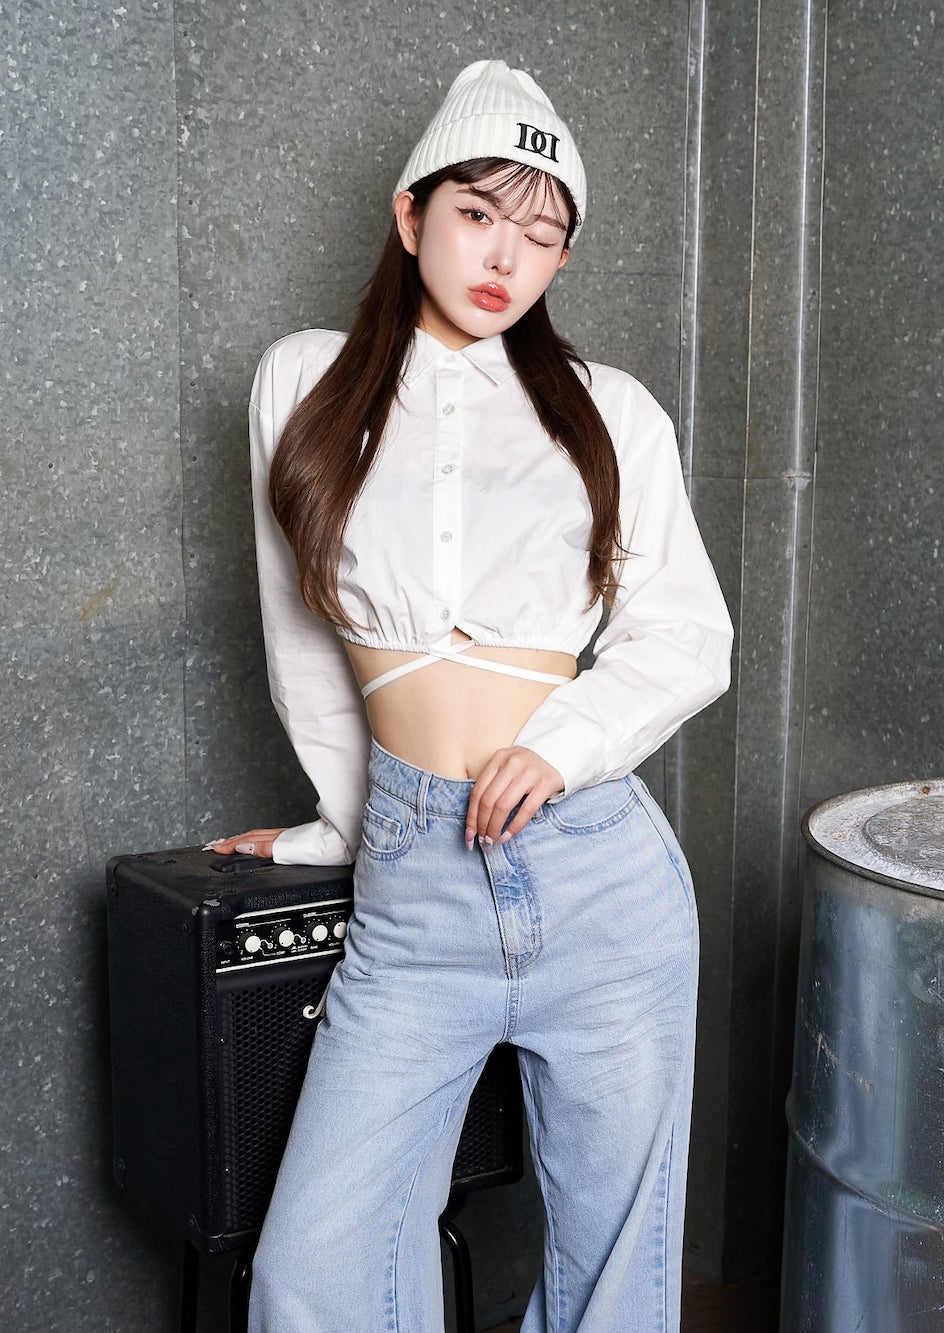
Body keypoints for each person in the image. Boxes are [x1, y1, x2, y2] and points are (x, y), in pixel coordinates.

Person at [207, 58, 733, 1333]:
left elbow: (688, 636)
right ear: (411, 214)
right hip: (416, 890)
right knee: (311, 1274)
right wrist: (350, 826)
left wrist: (563, 743)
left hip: (600, 879)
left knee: (614, 1281)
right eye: (478, 213)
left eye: (542, 235)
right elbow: (301, 644)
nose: (506, 256)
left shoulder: (611, 412)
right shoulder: (304, 383)